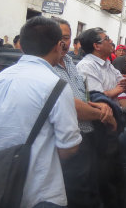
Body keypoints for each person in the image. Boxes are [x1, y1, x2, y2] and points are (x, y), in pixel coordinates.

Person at [0, 17, 82, 208]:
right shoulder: (55, 85)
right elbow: (69, 146)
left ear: (21, 45)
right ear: (58, 45)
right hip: (40, 193)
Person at [52, 18, 116, 207]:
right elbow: (69, 105)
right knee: (73, 193)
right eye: (59, 38)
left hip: (86, 138)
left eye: (67, 37)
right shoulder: (47, 68)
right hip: (65, 144)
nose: (63, 43)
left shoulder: (71, 63)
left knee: (89, 189)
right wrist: (105, 115)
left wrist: (98, 105)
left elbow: (82, 96)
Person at [77, 28, 126, 208]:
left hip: (113, 125)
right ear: (96, 46)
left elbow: (120, 83)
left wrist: (117, 88)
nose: (111, 42)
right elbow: (95, 98)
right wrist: (116, 90)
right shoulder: (87, 66)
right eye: (107, 39)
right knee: (102, 176)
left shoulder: (107, 64)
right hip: (98, 128)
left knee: (114, 174)